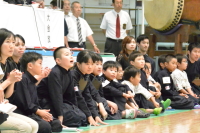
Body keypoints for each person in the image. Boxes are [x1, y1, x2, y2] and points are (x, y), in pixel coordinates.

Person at [11, 52, 62, 133]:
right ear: (30, 65)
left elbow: (35, 102)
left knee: (56, 123)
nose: (42, 67)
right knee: (45, 126)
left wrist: (41, 113)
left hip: (33, 112)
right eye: (40, 63)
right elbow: (25, 104)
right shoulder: (22, 79)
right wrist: (38, 112)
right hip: (24, 113)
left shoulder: (32, 80)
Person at [37, 47, 88, 127]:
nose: (71, 56)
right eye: (67, 55)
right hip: (46, 103)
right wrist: (60, 118)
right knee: (75, 118)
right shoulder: (54, 73)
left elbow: (71, 95)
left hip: (60, 102)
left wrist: (76, 109)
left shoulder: (69, 73)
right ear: (58, 61)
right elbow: (56, 96)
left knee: (82, 117)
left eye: (71, 54)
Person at [0, 28, 38, 133]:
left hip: (3, 109)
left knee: (34, 125)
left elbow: (8, 95)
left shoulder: (8, 64)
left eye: (13, 42)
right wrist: (9, 81)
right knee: (24, 128)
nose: (11, 45)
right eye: (7, 42)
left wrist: (12, 81)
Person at [72, 50, 107, 126]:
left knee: (98, 105)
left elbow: (87, 96)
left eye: (92, 64)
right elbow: (78, 96)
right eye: (87, 64)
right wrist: (89, 116)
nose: (90, 67)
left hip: (78, 102)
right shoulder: (73, 75)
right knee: (82, 118)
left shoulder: (86, 76)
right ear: (78, 64)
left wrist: (95, 116)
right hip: (69, 103)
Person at [90, 53, 122, 120]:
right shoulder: (87, 78)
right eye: (97, 64)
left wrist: (108, 103)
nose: (99, 67)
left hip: (100, 101)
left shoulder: (98, 79)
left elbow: (100, 95)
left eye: (101, 64)